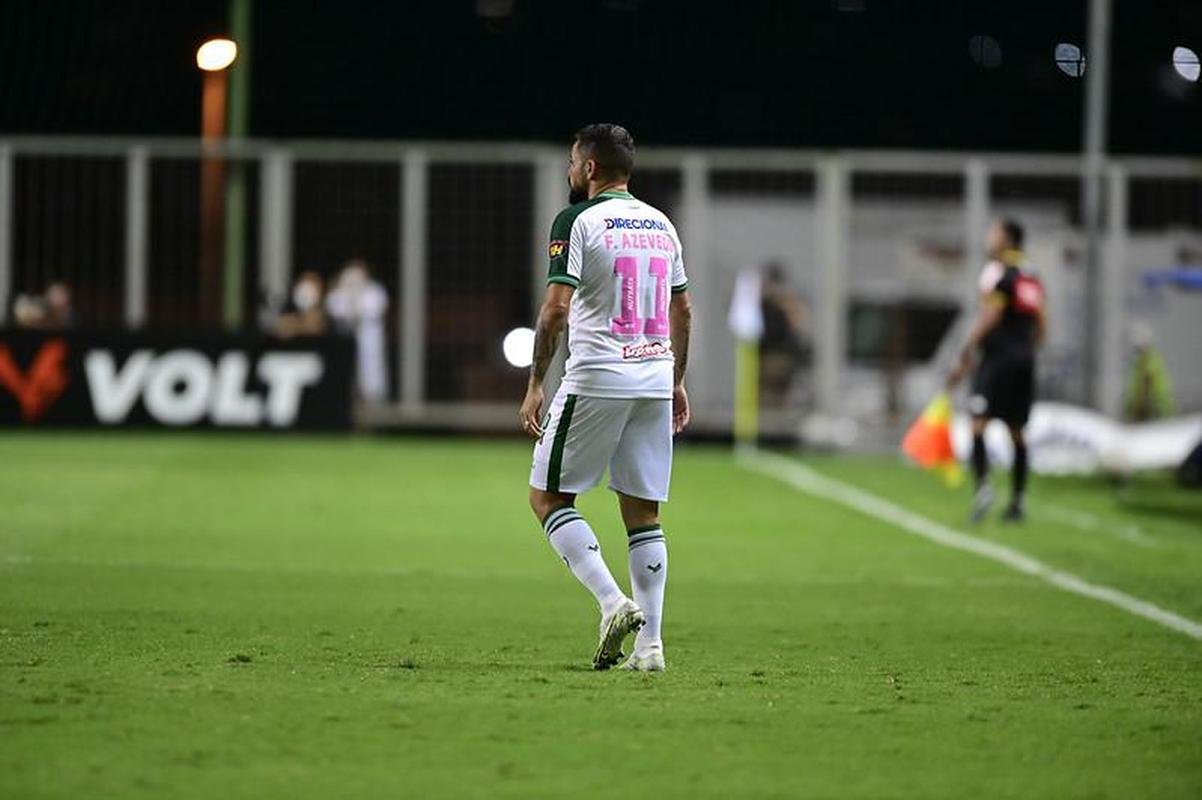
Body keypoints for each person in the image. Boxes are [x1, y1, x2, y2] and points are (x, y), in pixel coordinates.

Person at [518, 123, 692, 672]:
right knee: (644, 514)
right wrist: (677, 380)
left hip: (598, 377)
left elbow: (555, 310)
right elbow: (682, 310)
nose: (570, 171)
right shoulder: (662, 224)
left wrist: (535, 382)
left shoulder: (577, 219)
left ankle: (613, 603)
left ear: (590, 168)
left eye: (573, 161)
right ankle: (652, 647)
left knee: (547, 499)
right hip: (653, 377)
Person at [948, 218, 1046, 523]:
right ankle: (1017, 501)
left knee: (978, 422)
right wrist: (1029, 349)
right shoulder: (1031, 276)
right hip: (1024, 358)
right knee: (1017, 431)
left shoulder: (1001, 275)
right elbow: (1042, 321)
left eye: (994, 232)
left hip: (998, 359)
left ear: (1007, 239)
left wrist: (967, 349)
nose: (989, 238)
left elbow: (991, 315)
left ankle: (984, 489)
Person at [326, 260, 389, 402]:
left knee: (371, 368)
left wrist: (357, 300)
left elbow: (376, 310)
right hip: (346, 334)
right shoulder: (339, 290)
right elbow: (333, 309)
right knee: (346, 366)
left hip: (369, 335)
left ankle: (374, 398)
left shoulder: (374, 290)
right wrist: (348, 294)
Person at [759, 263, 809, 407]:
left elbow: (796, 324)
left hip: (777, 355)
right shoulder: (779, 301)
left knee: (772, 399)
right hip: (773, 355)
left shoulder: (781, 302)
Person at [273, 271, 328, 339]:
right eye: (303, 287)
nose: (306, 294)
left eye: (311, 289)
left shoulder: (324, 315)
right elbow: (280, 328)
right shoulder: (288, 311)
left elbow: (315, 327)